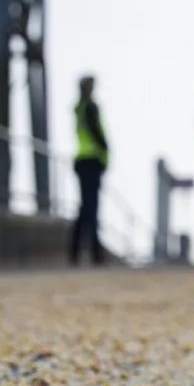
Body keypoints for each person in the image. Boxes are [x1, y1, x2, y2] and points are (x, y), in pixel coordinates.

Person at [70, 75, 107, 266]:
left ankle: (77, 251)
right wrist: (105, 149)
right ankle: (94, 252)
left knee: (86, 208)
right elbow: (98, 135)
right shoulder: (89, 107)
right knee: (90, 209)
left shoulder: (80, 108)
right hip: (91, 160)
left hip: (83, 160)